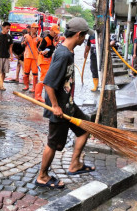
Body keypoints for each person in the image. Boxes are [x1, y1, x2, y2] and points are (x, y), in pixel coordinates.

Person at [36, 17, 95, 189]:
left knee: (85, 128)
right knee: (53, 144)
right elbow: (48, 83)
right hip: (59, 108)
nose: (84, 40)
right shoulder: (62, 55)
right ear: (78, 35)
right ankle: (42, 176)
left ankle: (75, 165)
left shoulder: (68, 52)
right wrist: (55, 106)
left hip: (68, 104)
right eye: (84, 36)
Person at [35, 24, 59, 102]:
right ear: (51, 30)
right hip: (44, 60)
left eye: (57, 32)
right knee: (43, 78)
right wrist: (42, 52)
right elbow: (39, 48)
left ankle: (46, 94)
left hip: (48, 60)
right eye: (54, 32)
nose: (56, 34)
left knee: (46, 78)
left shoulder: (53, 39)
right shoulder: (46, 39)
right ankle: (38, 96)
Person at [0, 22, 13, 91]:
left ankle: (1, 85)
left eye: (9, 29)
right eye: (7, 28)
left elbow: (10, 47)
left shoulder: (9, 37)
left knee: (4, 72)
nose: (8, 30)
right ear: (3, 27)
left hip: (6, 56)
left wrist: (11, 55)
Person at [22, 23, 40, 92]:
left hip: (35, 57)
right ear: (31, 28)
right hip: (27, 57)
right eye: (35, 28)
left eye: (37, 28)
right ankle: (26, 86)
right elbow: (22, 46)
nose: (36, 30)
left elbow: (40, 48)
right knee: (26, 73)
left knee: (35, 74)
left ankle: (34, 88)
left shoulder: (38, 38)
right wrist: (25, 42)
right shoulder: (26, 36)